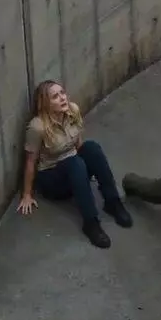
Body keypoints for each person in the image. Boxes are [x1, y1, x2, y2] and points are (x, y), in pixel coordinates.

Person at [17, 80, 133, 248]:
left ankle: (113, 203)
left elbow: (78, 143)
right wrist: (27, 194)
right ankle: (91, 223)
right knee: (74, 163)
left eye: (62, 93)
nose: (62, 98)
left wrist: (88, 165)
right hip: (52, 180)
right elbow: (30, 161)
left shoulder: (73, 110)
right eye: (55, 97)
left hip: (74, 169)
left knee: (92, 148)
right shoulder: (37, 127)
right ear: (45, 103)